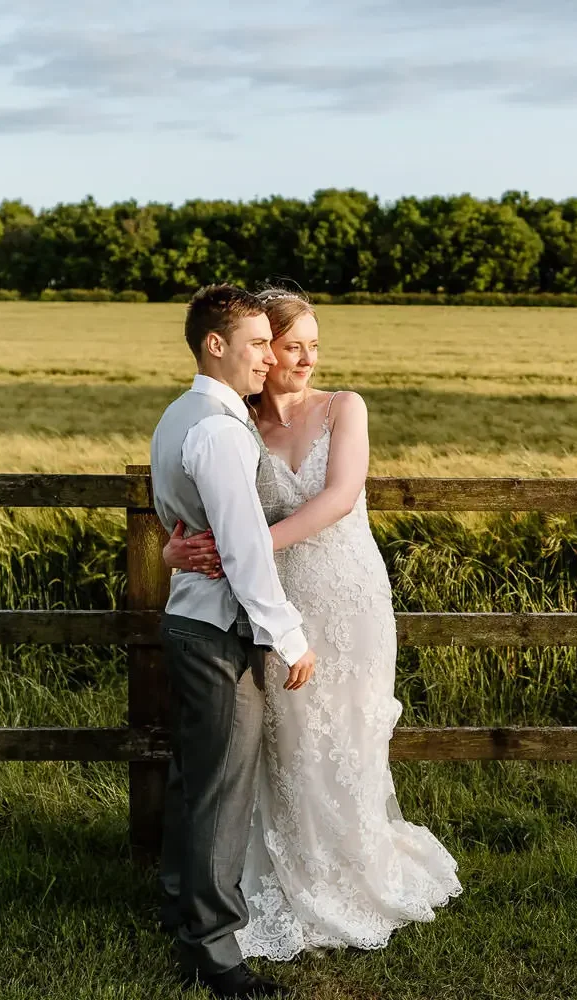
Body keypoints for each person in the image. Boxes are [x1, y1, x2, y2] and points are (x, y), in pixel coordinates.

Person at [163, 288, 461, 963]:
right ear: (262, 351)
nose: (303, 359)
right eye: (289, 345)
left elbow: (339, 497)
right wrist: (174, 549)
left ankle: (354, 869)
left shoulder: (343, 408)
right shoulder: (233, 421)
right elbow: (204, 504)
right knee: (286, 742)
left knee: (350, 732)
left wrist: (247, 546)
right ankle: (287, 876)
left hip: (349, 595)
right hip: (279, 604)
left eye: (312, 347)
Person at [149, 284, 316, 999]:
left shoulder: (177, 414)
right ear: (215, 345)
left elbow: (180, 523)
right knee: (221, 790)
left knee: (194, 778)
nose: (268, 356)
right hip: (220, 628)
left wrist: (169, 552)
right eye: (255, 343)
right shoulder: (219, 429)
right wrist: (290, 635)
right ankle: (216, 955)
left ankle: (178, 904)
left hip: (190, 619)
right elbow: (245, 552)